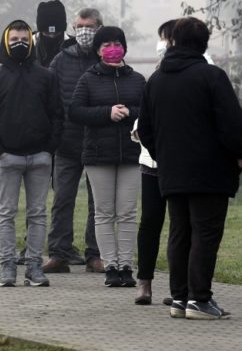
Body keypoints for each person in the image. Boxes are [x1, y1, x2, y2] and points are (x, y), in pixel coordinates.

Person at [139, 16, 242, 320]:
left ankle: (179, 298)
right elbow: (232, 125)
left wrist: (163, 155)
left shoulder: (156, 80)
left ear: (173, 41)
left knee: (179, 232)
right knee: (205, 233)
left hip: (171, 170)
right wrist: (237, 154)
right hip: (211, 171)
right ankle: (200, 299)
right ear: (203, 42)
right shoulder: (211, 76)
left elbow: (145, 129)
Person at [0, 20, 63, 287]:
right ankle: (7, 267)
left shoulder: (46, 77)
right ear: (5, 42)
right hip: (8, 158)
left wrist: (49, 149)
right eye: (14, 39)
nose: (19, 44)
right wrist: (0, 151)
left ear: (31, 42)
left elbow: (58, 115)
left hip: (40, 157)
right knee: (6, 213)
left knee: (37, 214)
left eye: (24, 39)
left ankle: (34, 267)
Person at [69, 26, 145, 287]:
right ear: (98, 50)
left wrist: (130, 112)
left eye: (117, 43)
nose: (112, 48)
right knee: (103, 212)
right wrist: (106, 113)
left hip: (131, 154)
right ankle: (110, 265)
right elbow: (76, 111)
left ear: (124, 47)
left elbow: (149, 110)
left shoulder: (137, 79)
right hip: (98, 155)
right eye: (106, 45)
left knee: (127, 212)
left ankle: (126, 265)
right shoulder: (88, 79)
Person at [43, 8, 105, 274]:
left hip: (98, 143)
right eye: (79, 26)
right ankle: (59, 253)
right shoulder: (61, 60)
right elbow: (49, 99)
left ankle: (95, 255)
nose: (83, 31)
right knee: (62, 200)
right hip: (66, 144)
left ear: (99, 28)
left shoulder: (107, 59)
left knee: (98, 204)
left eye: (88, 26)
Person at [129, 20, 175, 305]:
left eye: (165, 39)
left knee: (182, 226)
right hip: (153, 162)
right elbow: (144, 120)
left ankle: (179, 285)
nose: (161, 45)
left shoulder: (203, 71)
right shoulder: (155, 77)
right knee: (150, 222)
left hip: (181, 162)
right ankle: (144, 281)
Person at [34, 0, 73, 68]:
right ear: (40, 31)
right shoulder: (28, 45)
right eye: (47, 33)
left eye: (56, 33)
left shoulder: (74, 45)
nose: (52, 36)